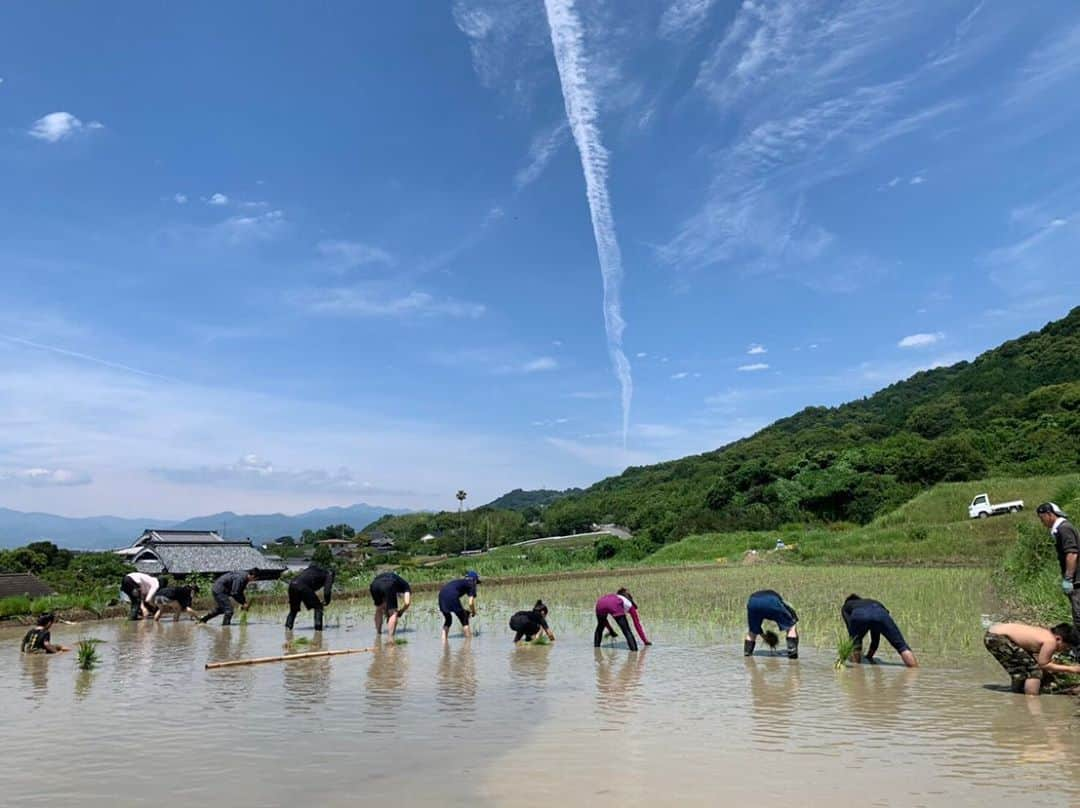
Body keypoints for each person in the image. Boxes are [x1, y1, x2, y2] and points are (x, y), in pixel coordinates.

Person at [984, 621, 1080, 695]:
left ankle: (1017, 695)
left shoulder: (1044, 633)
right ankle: (1031, 699)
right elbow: (1043, 664)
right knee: (1035, 671)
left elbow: (1037, 659)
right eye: (1066, 647)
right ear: (1059, 639)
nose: (1064, 650)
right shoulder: (1051, 641)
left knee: (1021, 670)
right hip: (998, 638)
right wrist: (1072, 669)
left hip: (992, 634)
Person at [841, 594, 918, 667]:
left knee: (855, 644)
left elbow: (852, 633)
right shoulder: (871, 601)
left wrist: (852, 649)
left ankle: (856, 671)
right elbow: (875, 634)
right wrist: (869, 657)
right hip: (881, 612)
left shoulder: (846, 606)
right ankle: (915, 671)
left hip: (859, 614)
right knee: (901, 646)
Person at [1037, 502, 1080, 626]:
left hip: (1077, 580)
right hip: (1076, 579)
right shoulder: (1060, 529)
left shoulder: (1064, 528)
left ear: (1049, 514)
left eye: (1042, 518)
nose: (1042, 522)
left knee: (1079, 616)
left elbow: (1072, 553)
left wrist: (1068, 578)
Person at [744, 589, 799, 659]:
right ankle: (792, 654)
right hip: (771, 600)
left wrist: (765, 637)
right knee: (792, 627)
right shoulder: (784, 605)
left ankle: (747, 656)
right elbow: (792, 622)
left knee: (752, 632)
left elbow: (756, 629)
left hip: (752, 601)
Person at [285, 563, 335, 631]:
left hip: (292, 585)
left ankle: (287, 629)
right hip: (303, 586)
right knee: (318, 607)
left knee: (293, 610)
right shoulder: (329, 574)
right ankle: (318, 630)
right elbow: (327, 591)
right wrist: (327, 601)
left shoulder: (313, 571)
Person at [439, 570, 480, 641]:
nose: (476, 584)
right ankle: (469, 641)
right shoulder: (472, 583)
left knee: (448, 619)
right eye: (477, 582)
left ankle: (444, 642)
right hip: (452, 596)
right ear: (475, 580)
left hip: (441, 596)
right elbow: (470, 603)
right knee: (464, 619)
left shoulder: (460, 582)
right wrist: (473, 612)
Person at [369, 571, 412, 638]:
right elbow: (407, 603)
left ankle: (378, 634)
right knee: (393, 613)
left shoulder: (396, 580)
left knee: (379, 609)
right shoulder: (406, 586)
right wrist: (400, 612)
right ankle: (390, 638)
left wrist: (387, 613)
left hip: (374, 585)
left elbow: (385, 603)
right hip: (389, 584)